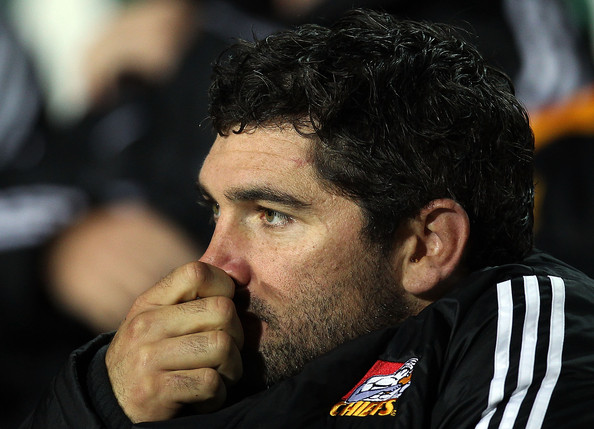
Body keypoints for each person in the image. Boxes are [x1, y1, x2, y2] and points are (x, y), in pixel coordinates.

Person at [20, 9, 594, 428]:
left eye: (271, 216)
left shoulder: (522, 335)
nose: (211, 265)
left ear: (427, 246)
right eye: (215, 212)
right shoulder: (175, 382)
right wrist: (102, 404)